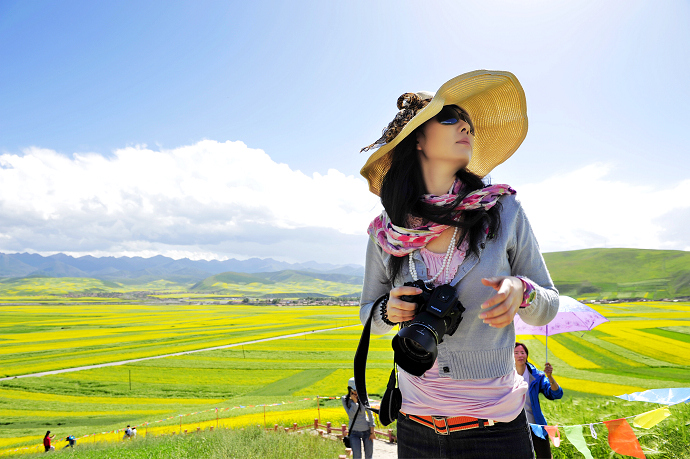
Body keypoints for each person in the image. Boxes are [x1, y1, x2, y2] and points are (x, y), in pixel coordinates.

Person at [359, 70, 559, 458]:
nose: (465, 126)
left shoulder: (504, 211)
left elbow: (548, 304)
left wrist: (523, 291)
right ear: (417, 138)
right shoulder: (388, 231)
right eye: (449, 117)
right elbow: (368, 311)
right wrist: (389, 310)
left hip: (496, 430)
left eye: (468, 122)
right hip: (415, 427)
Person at [514, 342, 563, 459]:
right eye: (516, 353)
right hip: (515, 426)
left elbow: (556, 394)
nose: (520, 355)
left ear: (526, 355)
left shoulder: (537, 376)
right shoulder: (506, 376)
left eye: (522, 352)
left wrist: (550, 376)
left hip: (536, 425)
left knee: (545, 456)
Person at [342, 377, 376, 459]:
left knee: (369, 456)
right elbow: (351, 415)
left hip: (367, 431)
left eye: (357, 389)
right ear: (349, 389)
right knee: (357, 456)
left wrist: (372, 432)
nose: (356, 392)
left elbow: (370, 414)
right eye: (354, 390)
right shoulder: (345, 399)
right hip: (354, 432)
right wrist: (355, 403)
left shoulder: (364, 397)